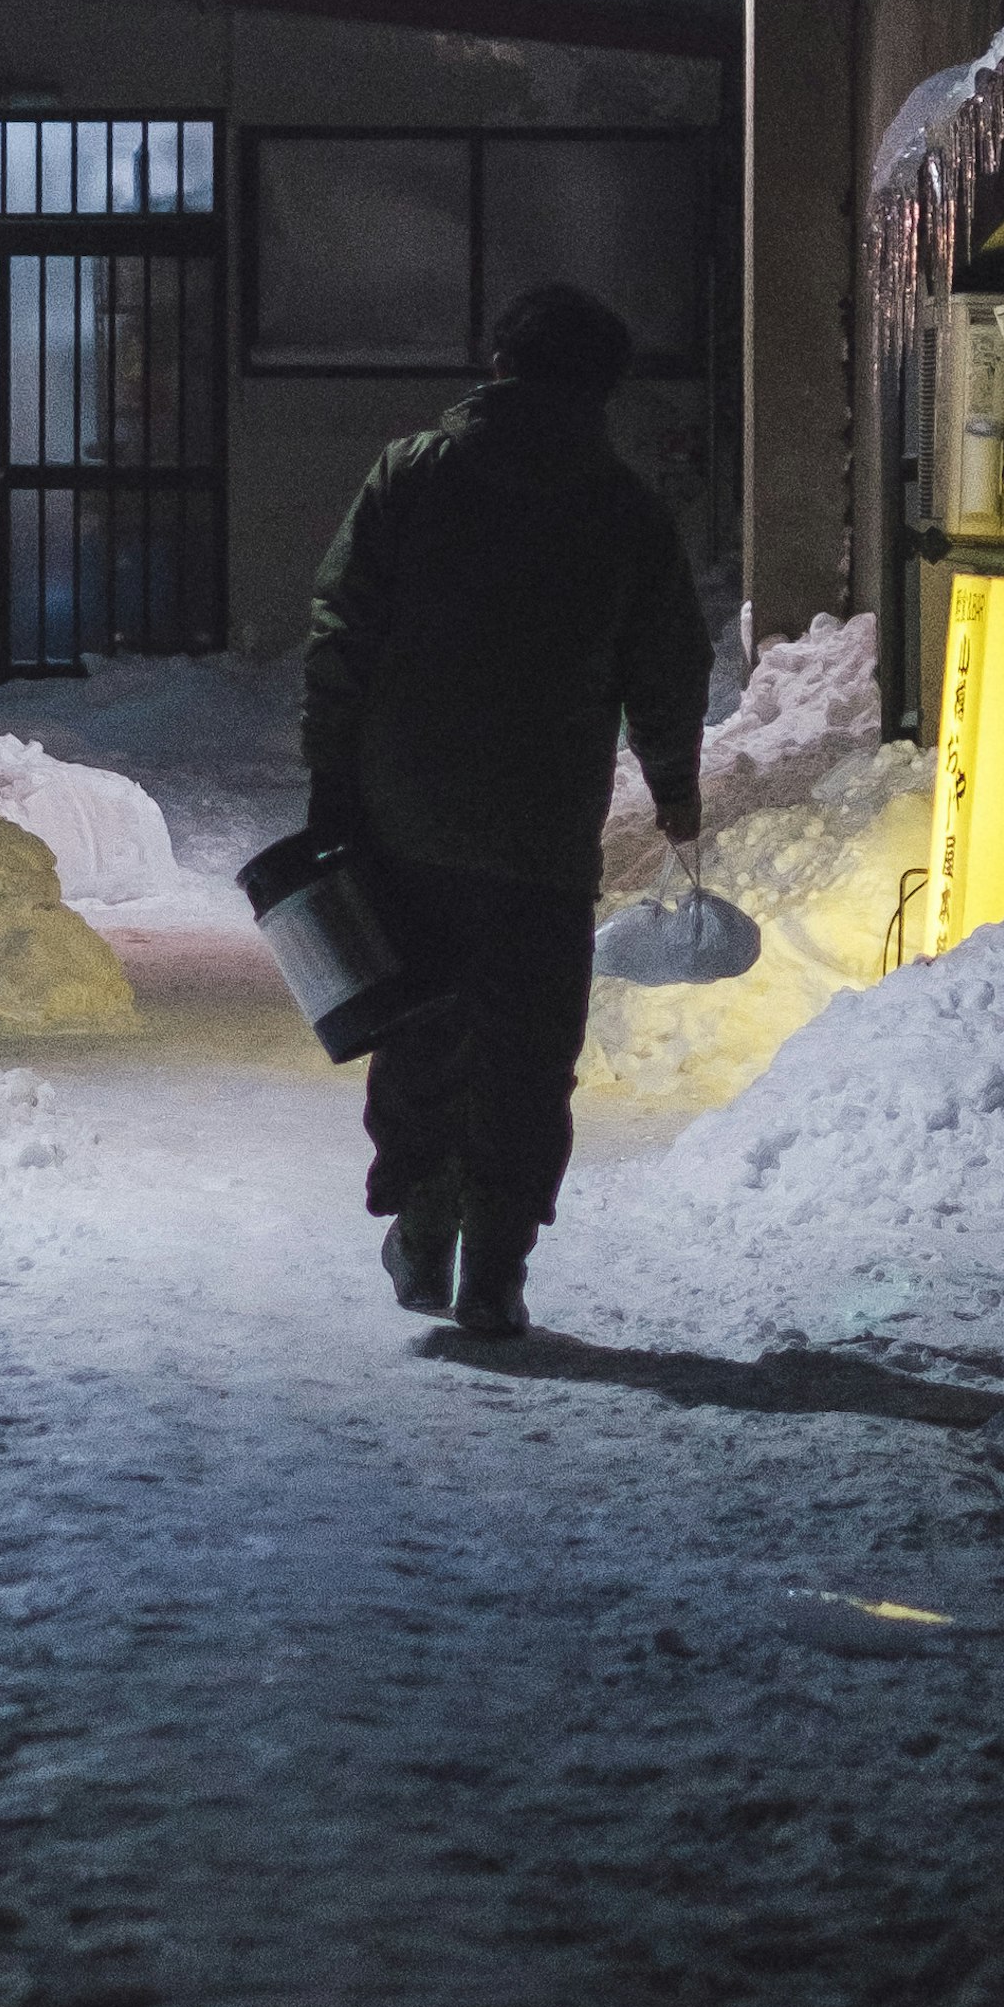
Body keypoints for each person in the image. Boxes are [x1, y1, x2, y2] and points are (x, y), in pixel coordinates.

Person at [299, 277, 708, 1338]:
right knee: (530, 1044)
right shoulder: (623, 511)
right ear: (604, 390)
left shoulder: (412, 476)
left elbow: (341, 632)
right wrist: (674, 790)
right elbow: (667, 664)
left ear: (496, 367)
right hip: (543, 828)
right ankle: (499, 1261)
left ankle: (426, 1216)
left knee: (422, 1022)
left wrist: (333, 777)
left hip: (409, 814)